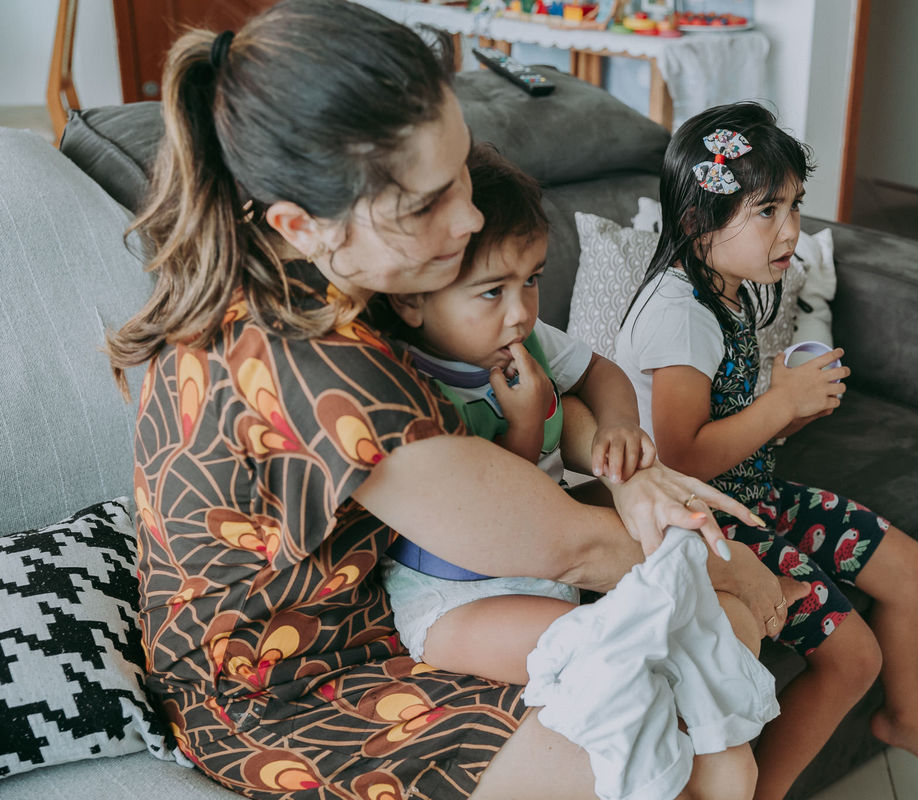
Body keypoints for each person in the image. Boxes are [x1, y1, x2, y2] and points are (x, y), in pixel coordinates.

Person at [105, 3, 796, 798]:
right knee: (669, 749)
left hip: (376, 610)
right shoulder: (306, 363)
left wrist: (627, 465)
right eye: (425, 204)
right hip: (283, 689)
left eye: (460, 170)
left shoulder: (325, 272)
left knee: (709, 737)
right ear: (304, 224)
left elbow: (547, 409)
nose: (468, 217)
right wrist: (730, 562)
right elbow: (564, 544)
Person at [614, 101, 918, 800]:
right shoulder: (678, 313)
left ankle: (908, 719)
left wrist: (784, 415)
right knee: (852, 658)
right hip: (704, 519)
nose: (791, 231)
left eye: (795, 207)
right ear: (697, 223)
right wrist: (777, 405)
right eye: (767, 212)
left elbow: (729, 429)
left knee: (910, 569)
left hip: (750, 493)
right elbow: (681, 458)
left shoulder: (729, 289)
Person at [382, 142, 689, 684]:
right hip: (461, 594)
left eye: (531, 280)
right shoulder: (410, 387)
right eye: (491, 291)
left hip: (551, 551)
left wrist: (620, 424)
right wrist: (525, 422)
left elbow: (600, 371)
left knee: (680, 531)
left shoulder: (525, 338)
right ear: (412, 299)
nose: (520, 312)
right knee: (604, 653)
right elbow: (491, 510)